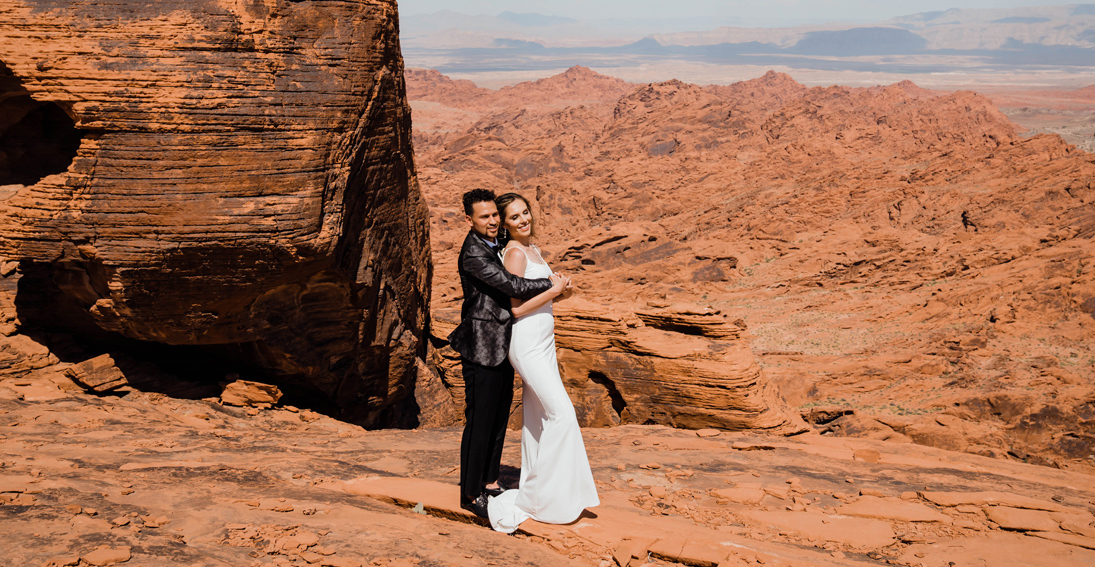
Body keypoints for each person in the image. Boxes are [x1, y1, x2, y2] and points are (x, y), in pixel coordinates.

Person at [447, 189, 570, 518]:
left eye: (493, 215)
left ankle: (488, 482)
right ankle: (470, 494)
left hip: (503, 343)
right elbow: (513, 286)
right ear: (469, 220)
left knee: (499, 417)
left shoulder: (495, 242)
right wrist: (551, 285)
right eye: (483, 216)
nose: (491, 221)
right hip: (482, 344)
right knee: (479, 421)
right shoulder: (473, 253)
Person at [487, 192, 599, 533]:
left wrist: (562, 289)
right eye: (515, 217)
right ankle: (545, 496)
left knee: (536, 421)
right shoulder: (516, 253)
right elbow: (516, 308)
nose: (523, 220)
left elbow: (542, 297)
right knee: (561, 414)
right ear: (505, 225)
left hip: (543, 342)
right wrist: (553, 290)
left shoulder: (533, 250)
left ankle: (543, 492)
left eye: (525, 212)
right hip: (526, 343)